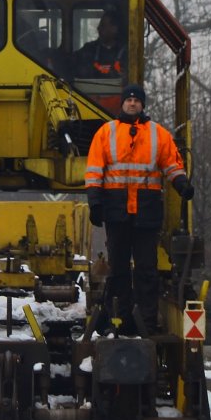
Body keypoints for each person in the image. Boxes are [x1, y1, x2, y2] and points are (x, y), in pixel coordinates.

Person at [85, 84, 194, 334]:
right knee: (118, 270)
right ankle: (119, 320)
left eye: (136, 100)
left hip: (146, 212)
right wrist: (95, 203)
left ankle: (146, 321)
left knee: (147, 270)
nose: (132, 103)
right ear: (122, 104)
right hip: (117, 211)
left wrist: (182, 185)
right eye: (128, 100)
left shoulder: (159, 134)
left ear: (143, 105)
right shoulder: (106, 133)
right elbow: (94, 170)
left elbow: (171, 165)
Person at [74, 11, 127, 80]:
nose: (98, 28)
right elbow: (72, 65)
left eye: (103, 25)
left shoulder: (126, 53)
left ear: (114, 29)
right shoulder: (88, 49)